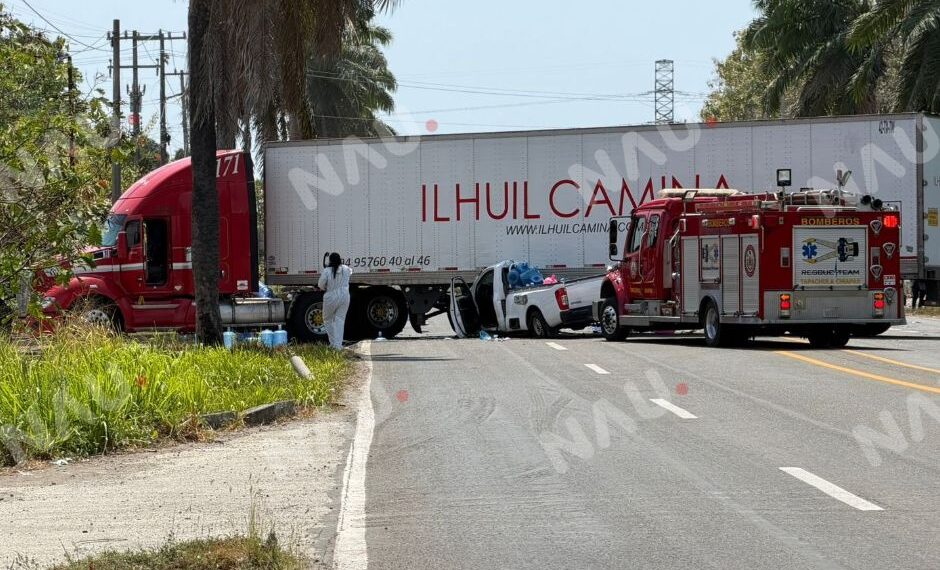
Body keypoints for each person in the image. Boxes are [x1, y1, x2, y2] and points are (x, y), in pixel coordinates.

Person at [318, 252, 351, 349]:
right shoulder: (346, 269)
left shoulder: (327, 271)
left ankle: (333, 343)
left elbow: (320, 285)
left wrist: (325, 287)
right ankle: (338, 345)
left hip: (331, 297)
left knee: (327, 319)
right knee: (340, 320)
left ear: (330, 260)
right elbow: (349, 272)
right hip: (345, 296)